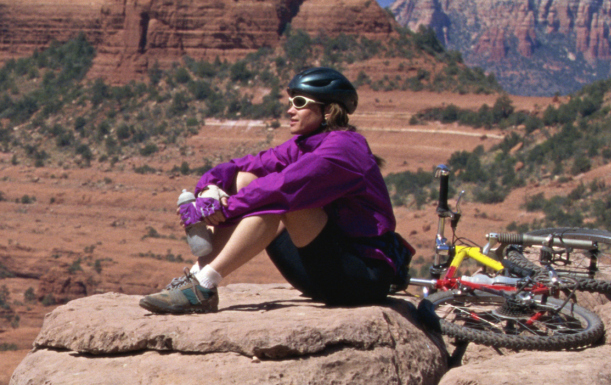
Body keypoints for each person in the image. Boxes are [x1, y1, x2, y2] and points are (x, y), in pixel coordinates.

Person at [140, 66, 411, 314]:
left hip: (361, 278)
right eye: (291, 101)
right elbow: (245, 165)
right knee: (246, 179)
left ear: (328, 111)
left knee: (276, 203)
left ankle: (203, 285)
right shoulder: (305, 144)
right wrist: (208, 189)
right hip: (319, 270)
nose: (289, 110)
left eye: (300, 102)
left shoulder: (343, 150)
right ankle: (198, 281)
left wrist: (224, 209)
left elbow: (282, 189)